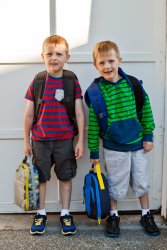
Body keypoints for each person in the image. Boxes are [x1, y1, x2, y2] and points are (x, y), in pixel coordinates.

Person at [85, 41, 160, 237]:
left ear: (120, 60)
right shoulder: (96, 92)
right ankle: (114, 215)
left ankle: (146, 214)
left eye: (111, 61)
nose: (107, 66)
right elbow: (92, 125)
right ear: (96, 66)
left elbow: (146, 111)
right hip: (114, 148)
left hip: (137, 145)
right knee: (115, 184)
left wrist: (148, 135)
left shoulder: (132, 84)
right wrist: (94, 151)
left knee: (141, 181)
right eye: (102, 63)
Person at [24, 35, 85, 236]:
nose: (54, 58)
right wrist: (27, 140)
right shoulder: (38, 80)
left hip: (64, 140)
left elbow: (79, 112)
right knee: (41, 177)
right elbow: (29, 113)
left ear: (67, 56)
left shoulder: (70, 80)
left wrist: (81, 141)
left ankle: (65, 214)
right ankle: (40, 213)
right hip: (40, 140)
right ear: (43, 56)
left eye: (59, 54)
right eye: (49, 54)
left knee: (65, 176)